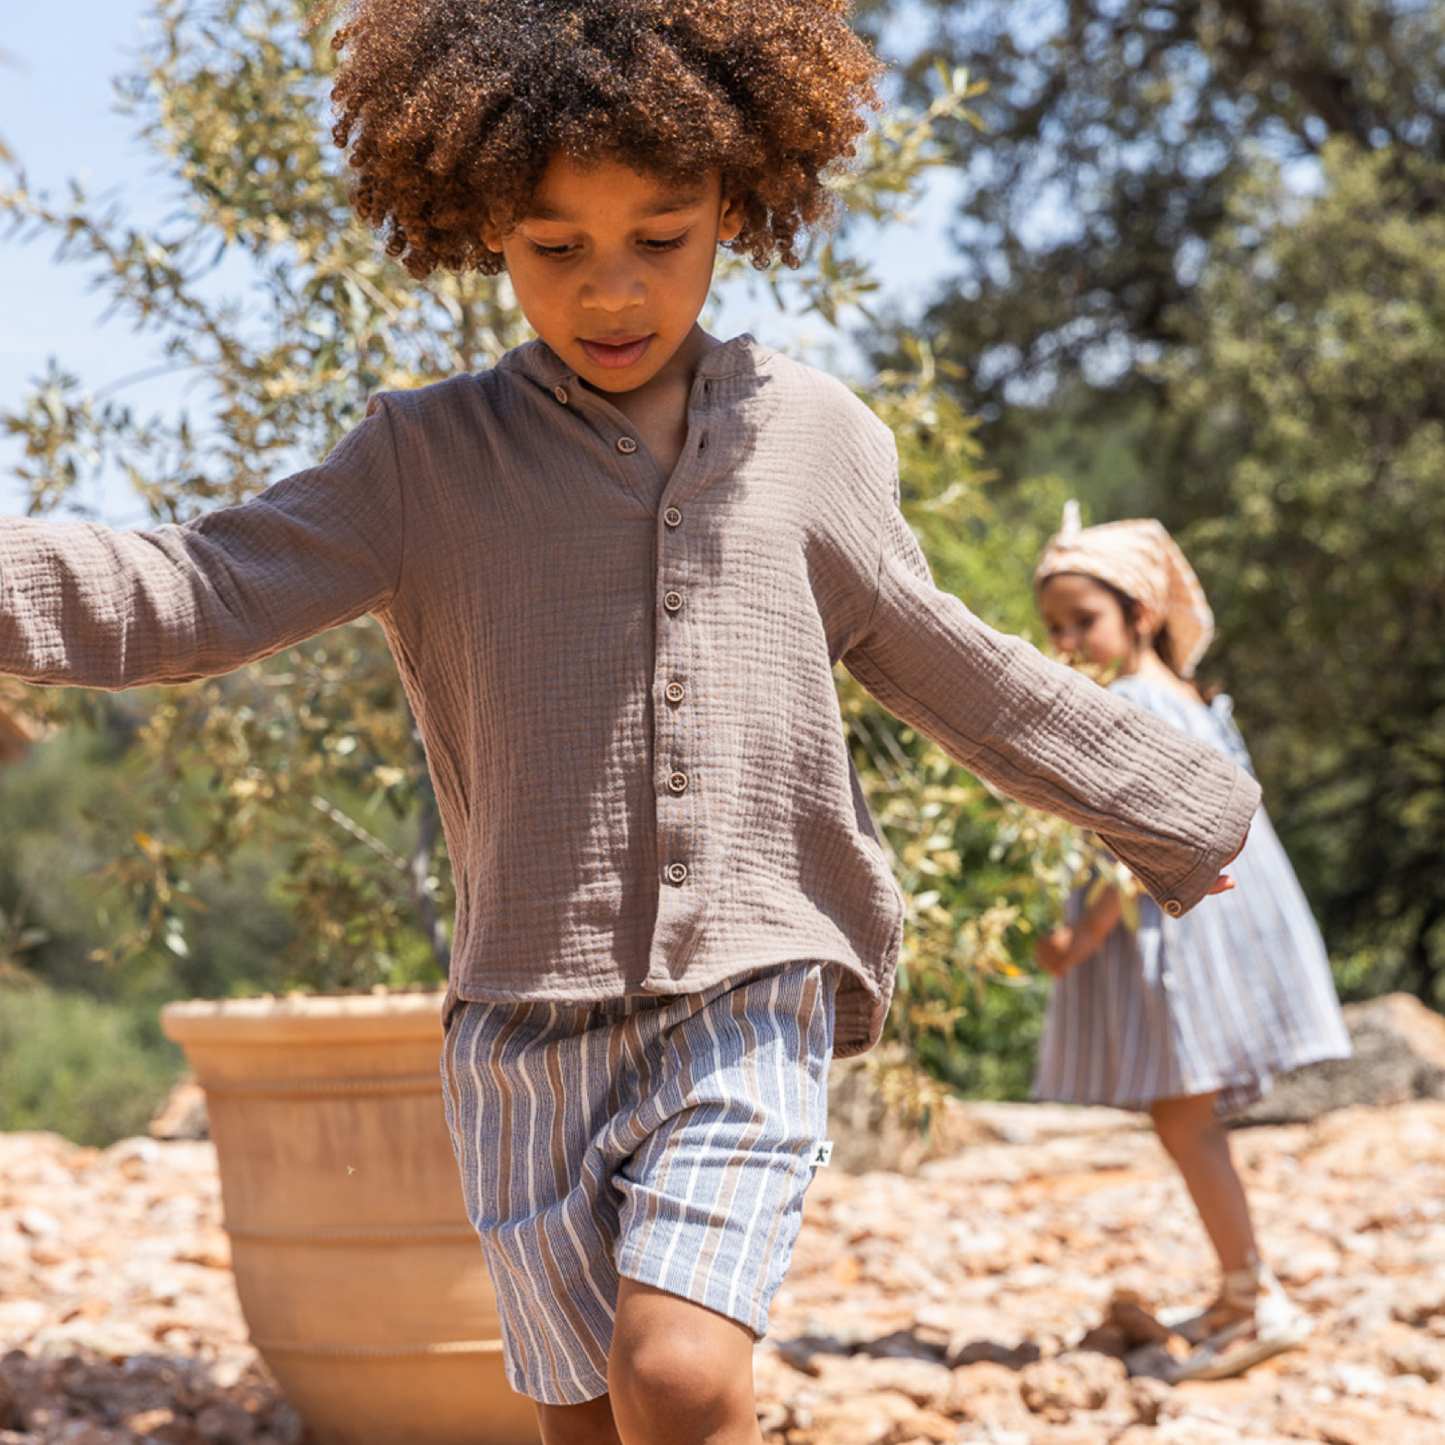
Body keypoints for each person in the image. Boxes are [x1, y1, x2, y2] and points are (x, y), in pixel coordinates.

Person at [0, 5, 1259, 1441]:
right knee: (590, 1418)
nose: (611, 289)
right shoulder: (423, 461)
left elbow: (947, 659)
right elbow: (197, 584)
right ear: (481, 226)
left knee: (675, 1374)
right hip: (521, 1019)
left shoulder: (812, 437)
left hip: (748, 980)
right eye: (556, 248)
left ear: (739, 198)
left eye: (660, 236)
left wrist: (1167, 798)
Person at [1031, 503, 1352, 1383]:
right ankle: (1239, 1287)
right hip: (1220, 918)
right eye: (1052, 626)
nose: (1065, 641)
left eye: (1082, 621)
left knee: (1181, 1112)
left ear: (1139, 615)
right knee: (1188, 1112)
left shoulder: (1133, 699)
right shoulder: (1181, 695)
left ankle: (1255, 1295)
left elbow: (1140, 847)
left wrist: (1077, 933)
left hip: (1178, 927)